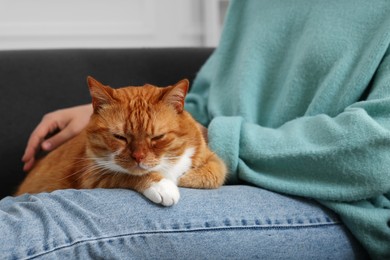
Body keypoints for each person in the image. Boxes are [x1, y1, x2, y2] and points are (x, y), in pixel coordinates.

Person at [2, 0, 389, 258]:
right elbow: (204, 100)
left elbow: (374, 152)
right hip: (210, 162)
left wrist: (210, 143)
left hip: (342, 202)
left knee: (53, 227)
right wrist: (106, 114)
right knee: (24, 211)